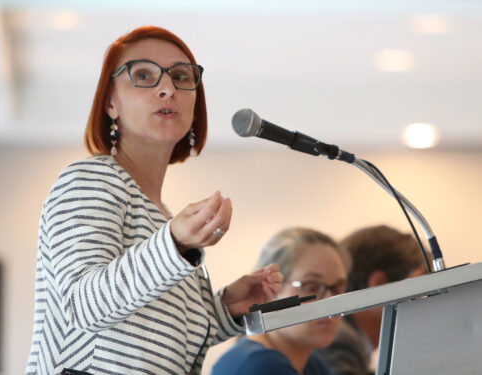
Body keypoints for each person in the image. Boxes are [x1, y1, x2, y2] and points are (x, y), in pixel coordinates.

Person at [25, 26, 283, 375]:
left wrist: (224, 309)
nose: (167, 89)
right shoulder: (90, 180)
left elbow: (154, 344)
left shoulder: (162, 218)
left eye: (180, 77)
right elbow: (83, 306)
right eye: (143, 75)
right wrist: (173, 242)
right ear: (110, 102)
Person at [211, 227, 349, 375]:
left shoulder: (311, 363)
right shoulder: (261, 366)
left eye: (337, 288)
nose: (329, 301)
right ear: (269, 287)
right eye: (311, 286)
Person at [313, 225, 429, 375]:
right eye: (418, 290)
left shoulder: (349, 341)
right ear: (379, 284)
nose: (425, 302)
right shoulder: (339, 341)